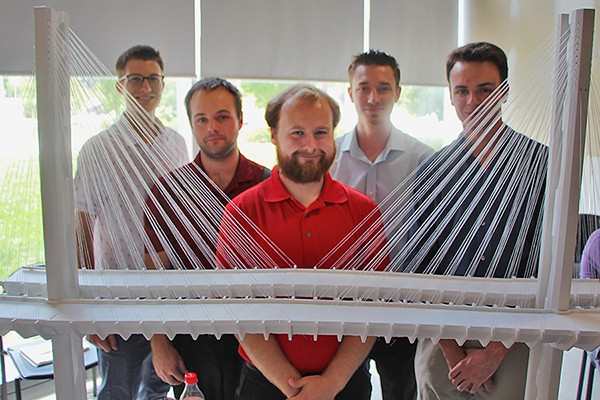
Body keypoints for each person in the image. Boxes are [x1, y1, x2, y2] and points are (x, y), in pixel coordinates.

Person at [216, 83, 388, 400]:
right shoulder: (241, 212)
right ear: (273, 135)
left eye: (321, 133)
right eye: (297, 133)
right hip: (265, 385)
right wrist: (293, 388)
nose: (310, 145)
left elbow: (373, 308)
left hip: (345, 383)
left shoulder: (364, 212)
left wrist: (331, 384)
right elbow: (237, 309)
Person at [411, 42, 547, 400]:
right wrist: (452, 348)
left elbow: (551, 261)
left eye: (485, 90)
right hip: (443, 334)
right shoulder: (431, 170)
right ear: (451, 95)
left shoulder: (542, 164)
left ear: (504, 91)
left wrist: (495, 352)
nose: (472, 101)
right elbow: (416, 266)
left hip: (518, 333)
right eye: (462, 91)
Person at [74, 45, 188, 399]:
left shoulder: (177, 143)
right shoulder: (98, 149)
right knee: (118, 389)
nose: (145, 87)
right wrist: (86, 306)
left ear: (163, 84)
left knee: (159, 386)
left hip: (167, 291)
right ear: (119, 86)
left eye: (153, 78)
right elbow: (81, 226)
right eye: (135, 79)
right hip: (116, 293)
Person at [144, 77, 270, 399]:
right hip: (193, 337)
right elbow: (150, 275)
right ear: (191, 124)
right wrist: (159, 342)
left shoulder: (268, 187)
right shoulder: (168, 192)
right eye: (202, 119)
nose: (212, 127)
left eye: (222, 116)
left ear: (240, 120)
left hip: (263, 337)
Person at [330, 50, 433, 400]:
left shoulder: (425, 159)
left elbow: (431, 236)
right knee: (345, 391)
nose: (373, 98)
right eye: (364, 88)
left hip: (401, 302)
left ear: (398, 93)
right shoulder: (327, 158)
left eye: (384, 88)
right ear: (350, 93)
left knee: (402, 391)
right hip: (342, 303)